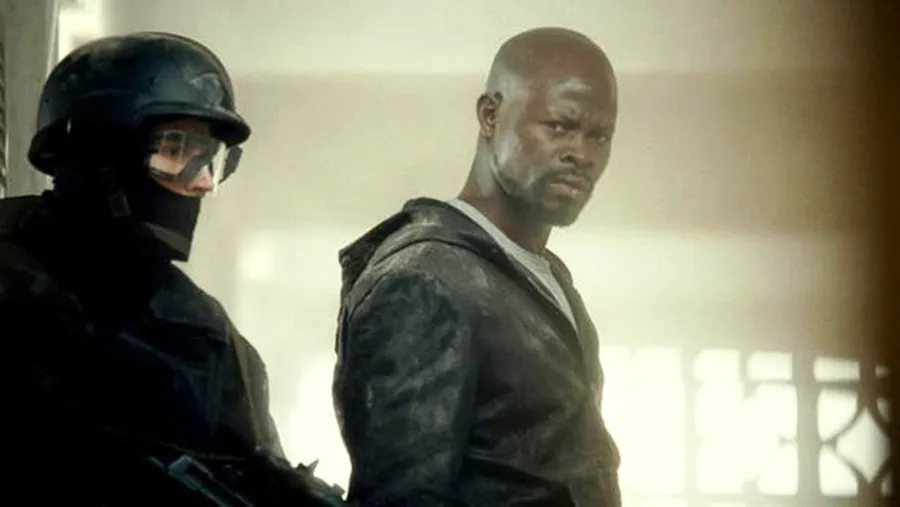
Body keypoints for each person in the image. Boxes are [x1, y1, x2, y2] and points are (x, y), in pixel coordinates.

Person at [333, 27, 621, 507]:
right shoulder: (425, 281)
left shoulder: (545, 280)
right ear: (490, 115)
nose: (582, 154)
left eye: (600, 136)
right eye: (559, 127)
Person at [1, 32, 285, 503]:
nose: (203, 182)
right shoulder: (13, 281)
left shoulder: (210, 338)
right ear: (99, 151)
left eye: (212, 159)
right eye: (176, 150)